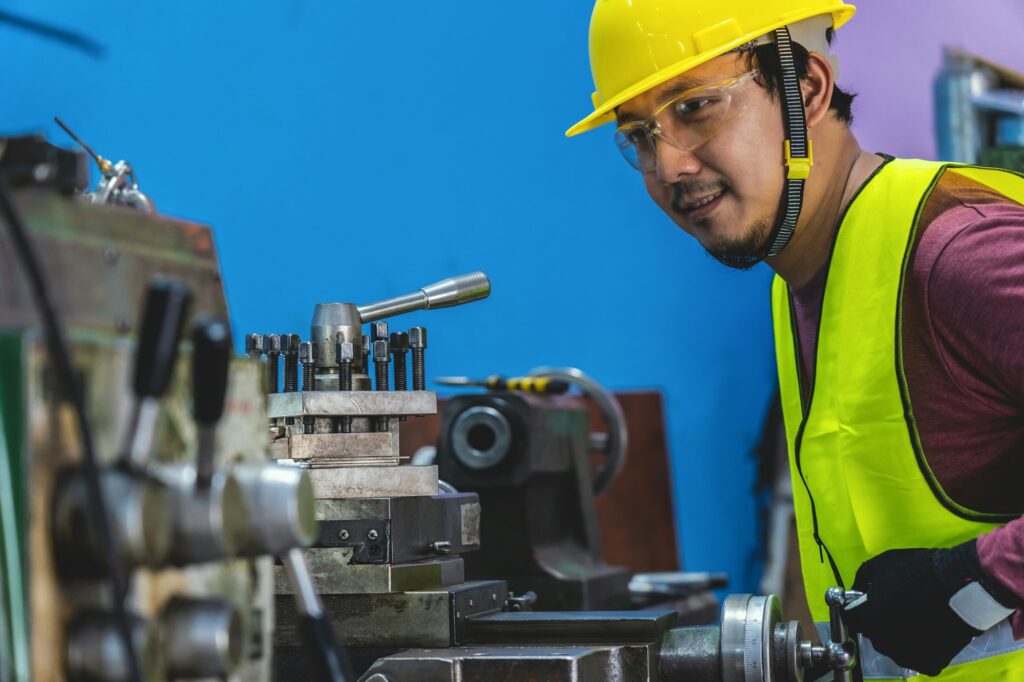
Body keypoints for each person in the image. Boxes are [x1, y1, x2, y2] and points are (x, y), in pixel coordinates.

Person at [566, 2, 1024, 678]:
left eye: (694, 107)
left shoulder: (959, 252)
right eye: (638, 134)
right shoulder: (803, 280)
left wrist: (975, 582)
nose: (668, 166)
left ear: (805, 86)